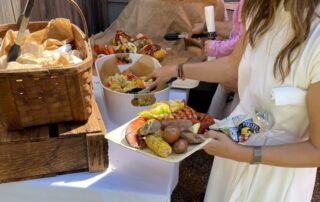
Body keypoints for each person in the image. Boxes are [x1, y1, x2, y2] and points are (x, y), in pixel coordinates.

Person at [148, 0, 320, 201]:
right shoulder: (261, 9)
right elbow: (231, 66)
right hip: (236, 140)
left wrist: (244, 154)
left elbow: (316, 151)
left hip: (278, 173)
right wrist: (175, 71)